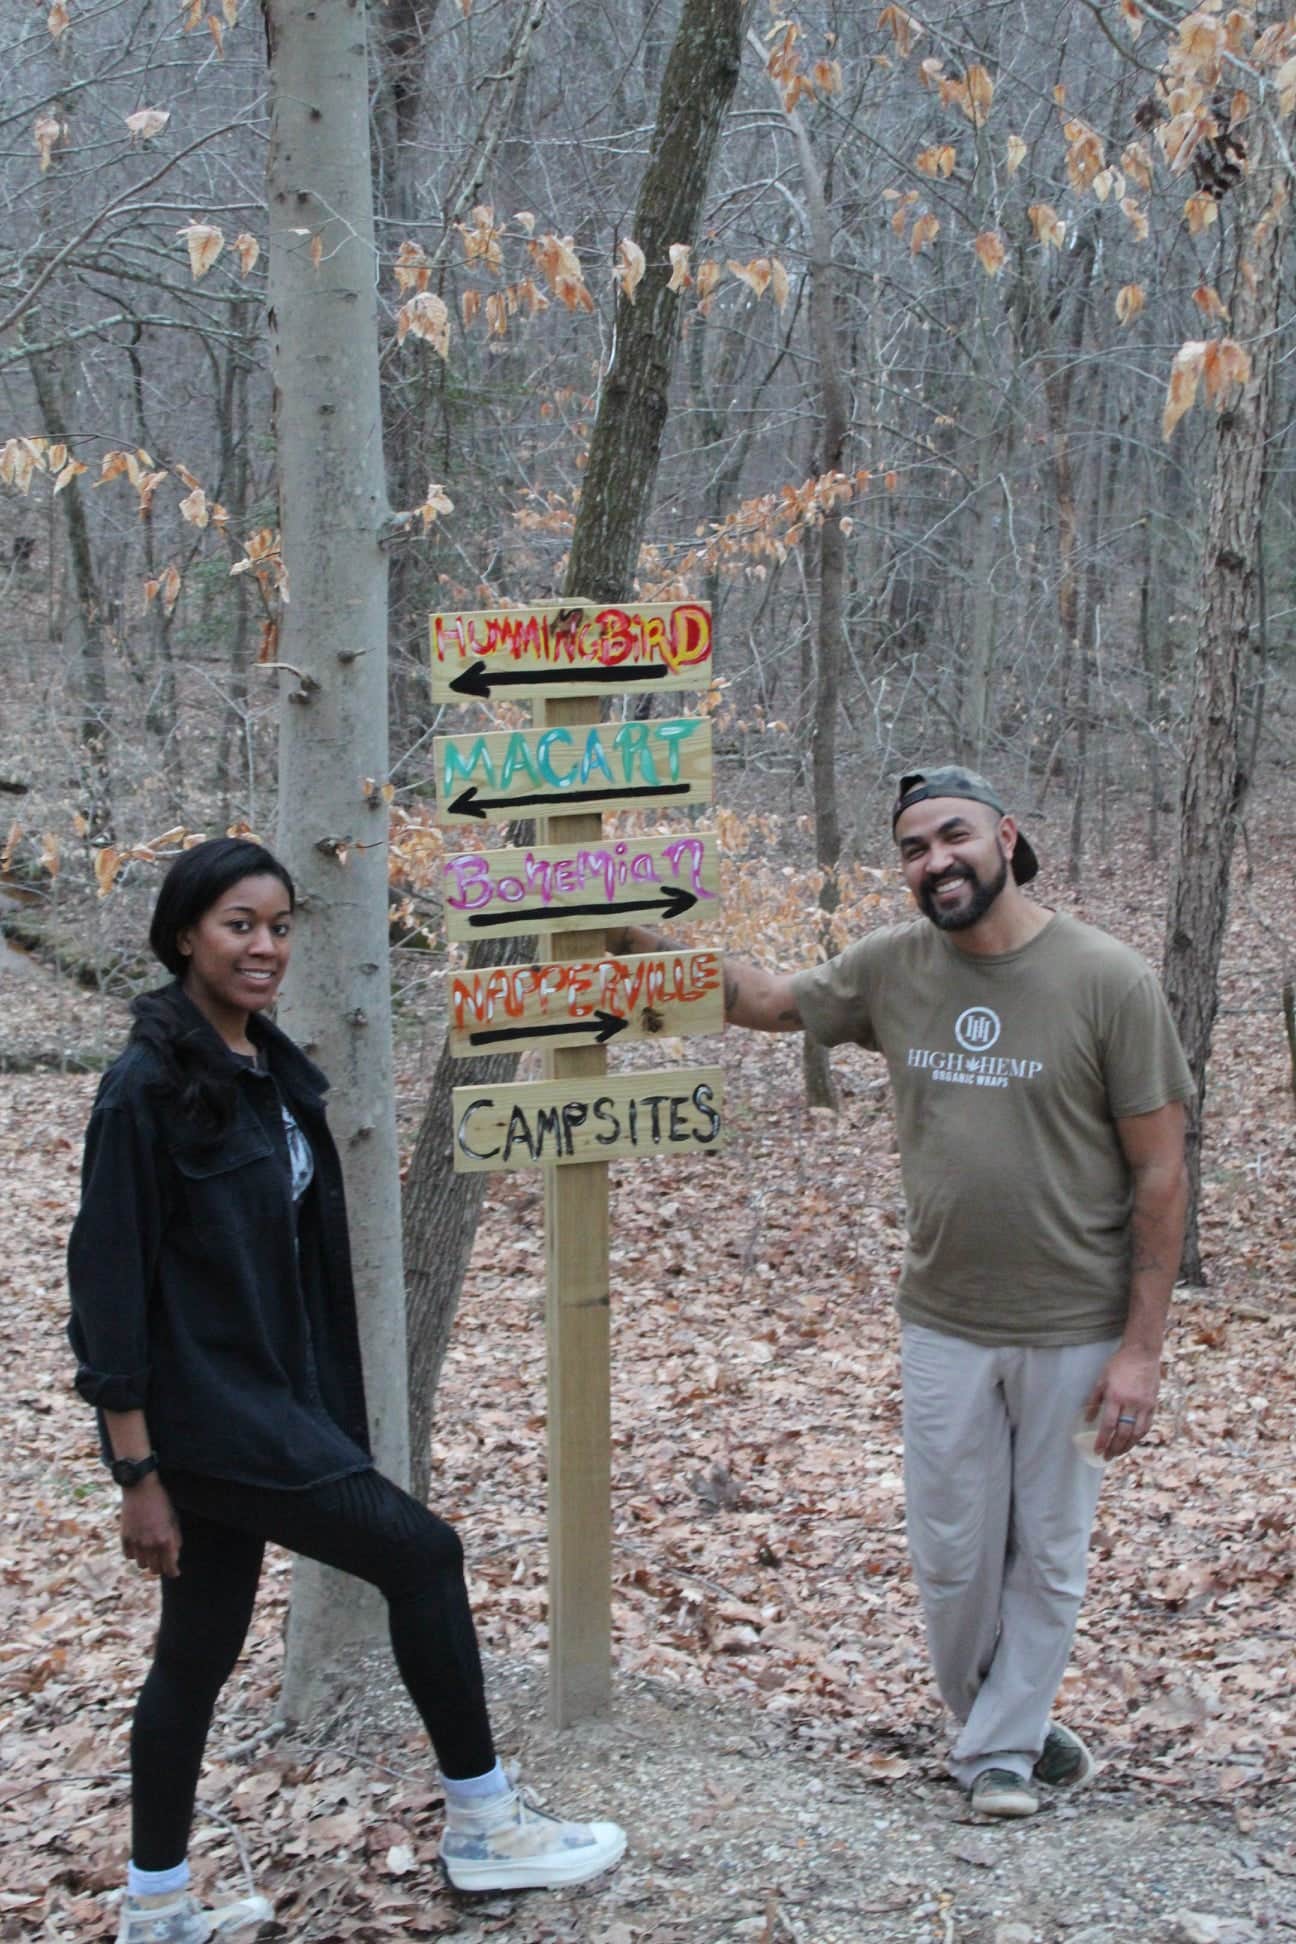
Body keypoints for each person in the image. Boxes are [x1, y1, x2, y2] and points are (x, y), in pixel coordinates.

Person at [68, 837, 625, 1944]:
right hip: (218, 1420)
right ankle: (483, 1825)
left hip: (274, 1401)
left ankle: (156, 1907)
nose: (265, 947)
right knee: (423, 1554)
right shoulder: (144, 1088)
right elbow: (108, 1288)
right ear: (184, 934)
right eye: (239, 925)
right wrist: (135, 1471)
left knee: (195, 1653)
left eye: (279, 927)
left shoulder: (267, 1070)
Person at [617, 765, 1191, 1819]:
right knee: (953, 1556)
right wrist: (619, 932)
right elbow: (763, 1001)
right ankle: (1006, 1720)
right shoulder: (893, 966)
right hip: (945, 1320)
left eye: (954, 836)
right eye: (914, 849)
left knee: (1048, 1551)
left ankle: (998, 1754)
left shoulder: (1108, 979)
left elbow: (1160, 1169)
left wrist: (1143, 1349)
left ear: (1006, 838)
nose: (936, 861)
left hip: (1075, 1325)